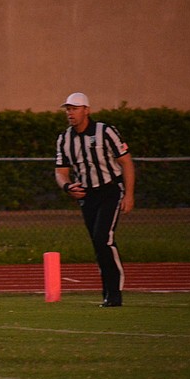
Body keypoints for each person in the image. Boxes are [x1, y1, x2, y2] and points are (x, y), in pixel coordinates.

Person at [54, 92, 135, 307]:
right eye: (68, 109)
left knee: (103, 239)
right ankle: (107, 293)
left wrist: (129, 194)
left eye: (75, 108)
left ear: (86, 110)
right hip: (88, 196)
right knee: (99, 245)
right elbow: (60, 171)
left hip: (109, 191)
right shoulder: (64, 138)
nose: (70, 113)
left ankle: (115, 293)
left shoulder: (105, 131)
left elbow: (126, 162)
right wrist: (67, 186)